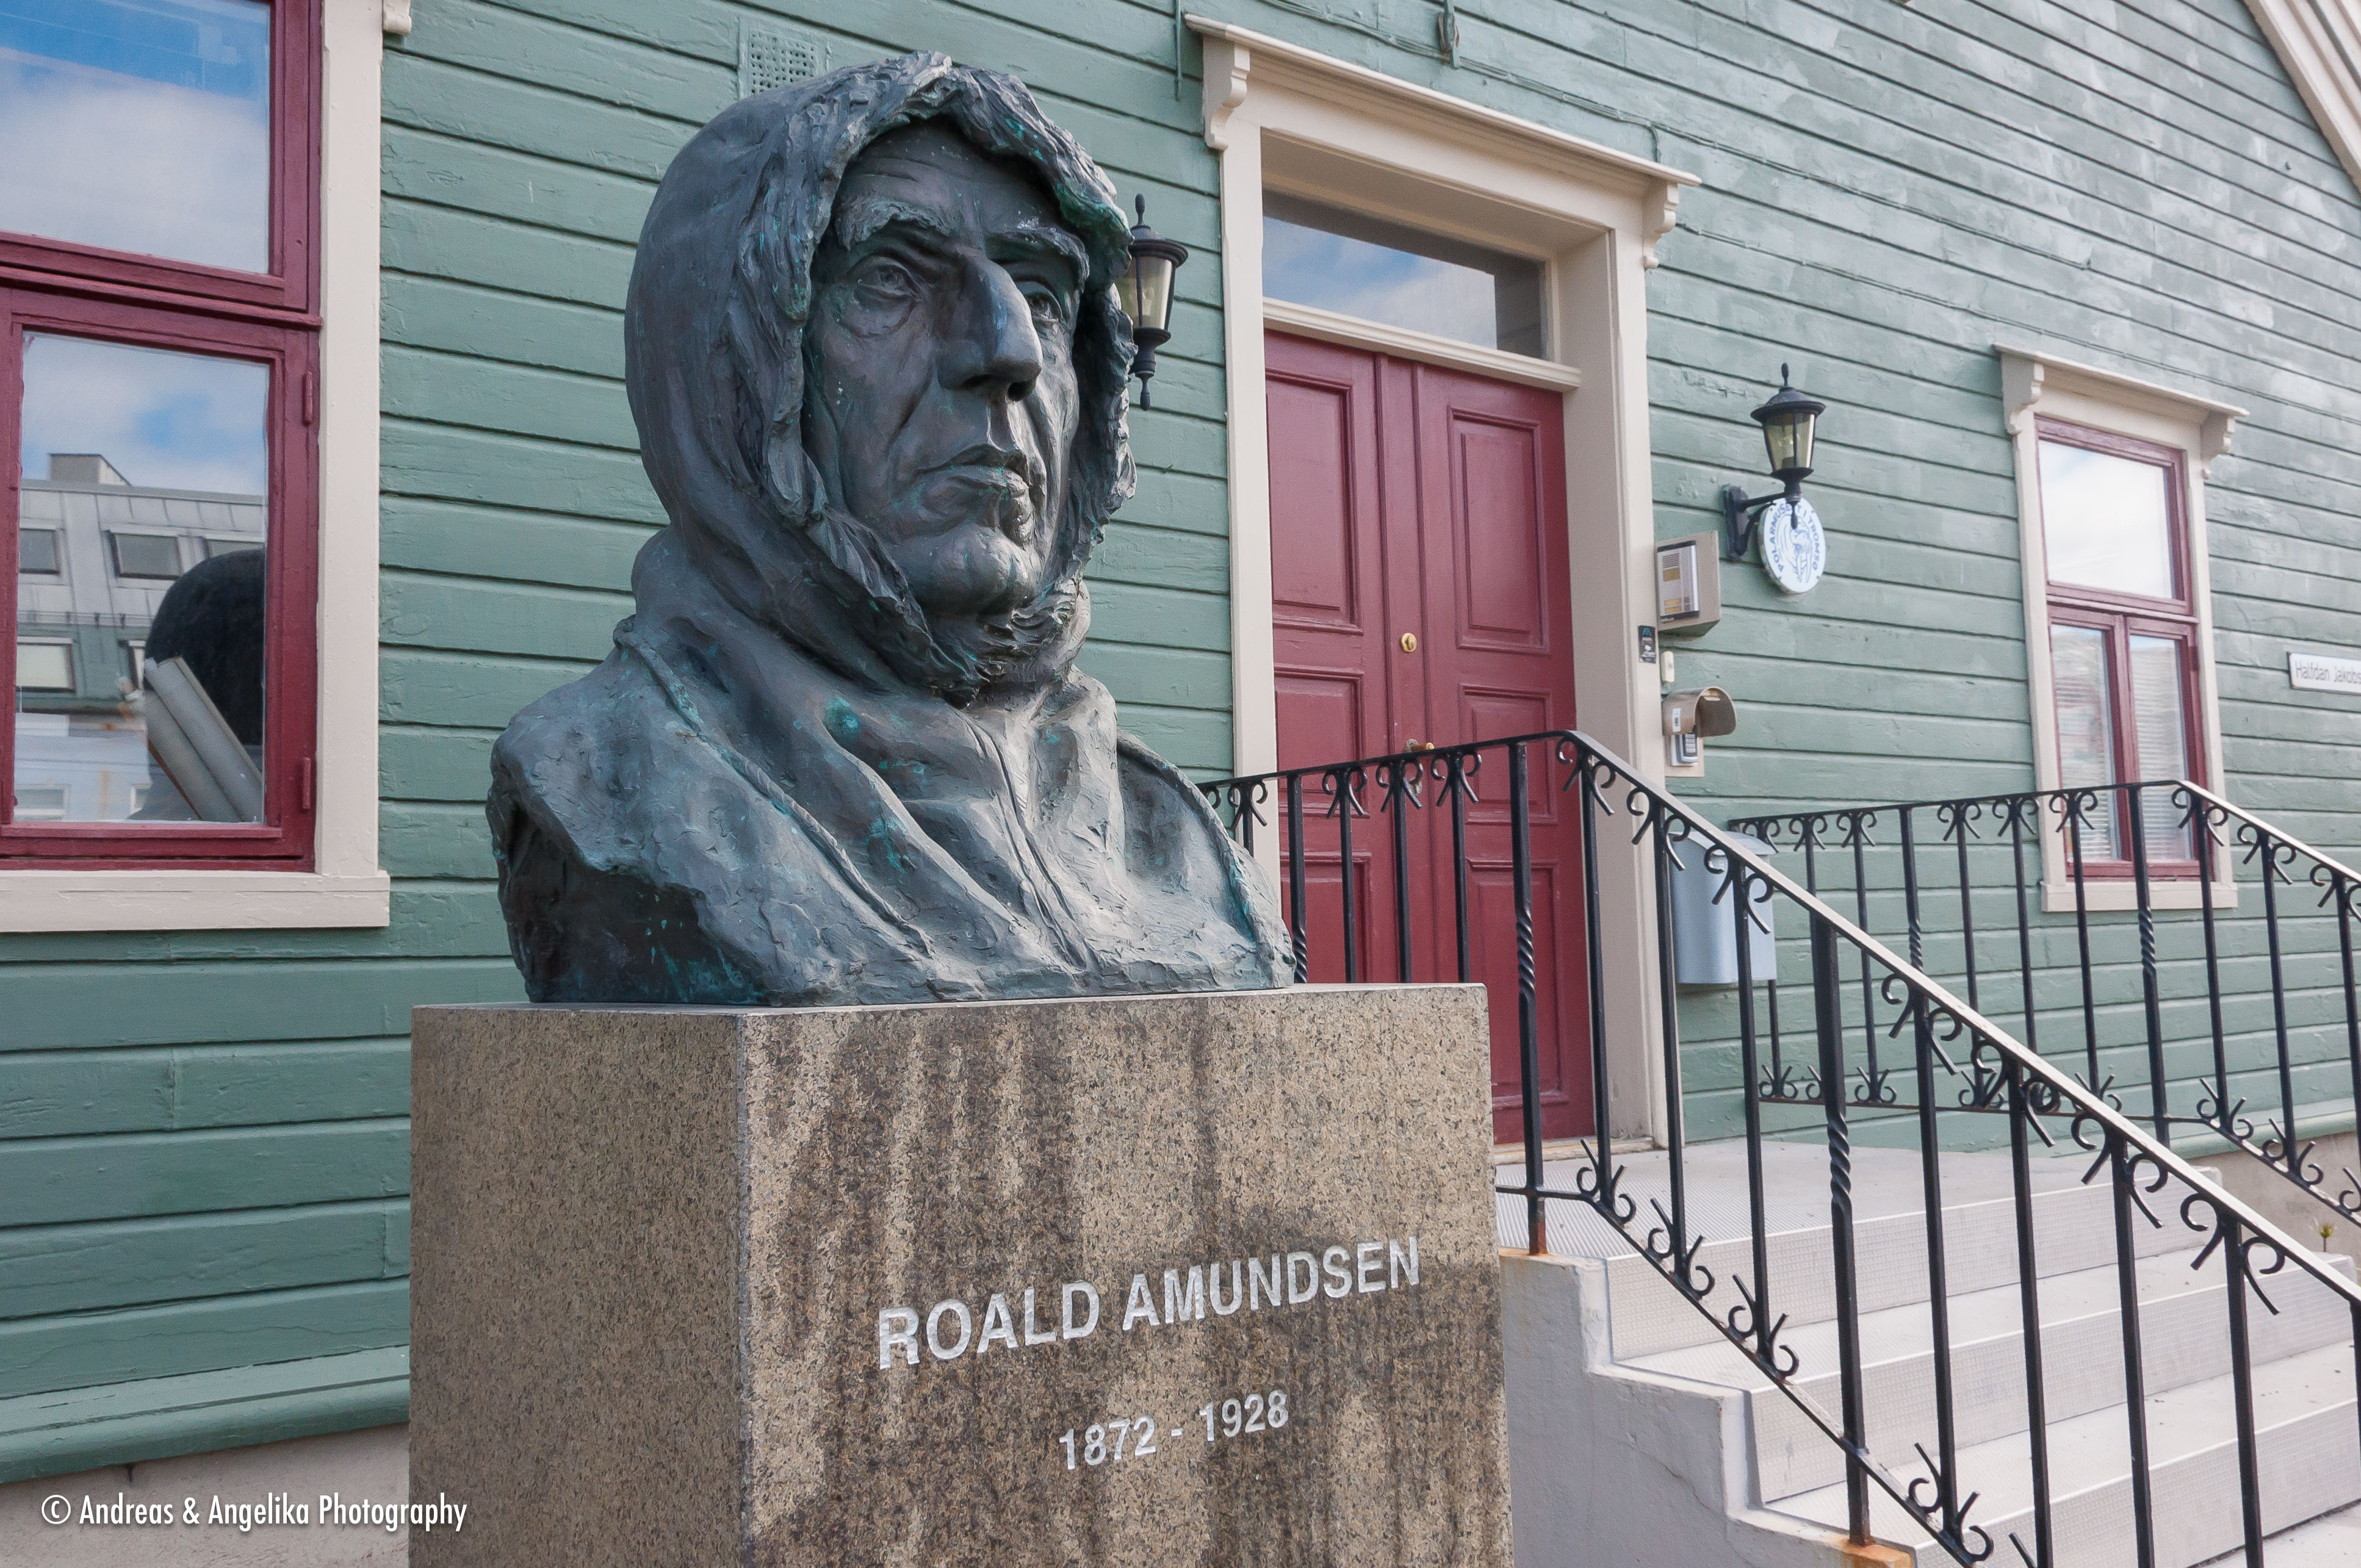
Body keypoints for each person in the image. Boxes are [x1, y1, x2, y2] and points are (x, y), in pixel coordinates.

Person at [487, 52, 1291, 1006]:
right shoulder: (603, 783)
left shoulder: (1179, 850)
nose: (1008, 350)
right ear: (728, 373)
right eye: (888, 280)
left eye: (1041, 299)